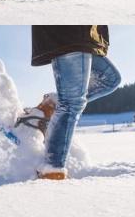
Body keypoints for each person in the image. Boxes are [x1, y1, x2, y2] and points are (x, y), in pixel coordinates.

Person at [17, 25, 122, 180]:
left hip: (88, 37)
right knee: (71, 103)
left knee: (110, 79)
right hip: (72, 33)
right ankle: (52, 168)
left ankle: (51, 105)